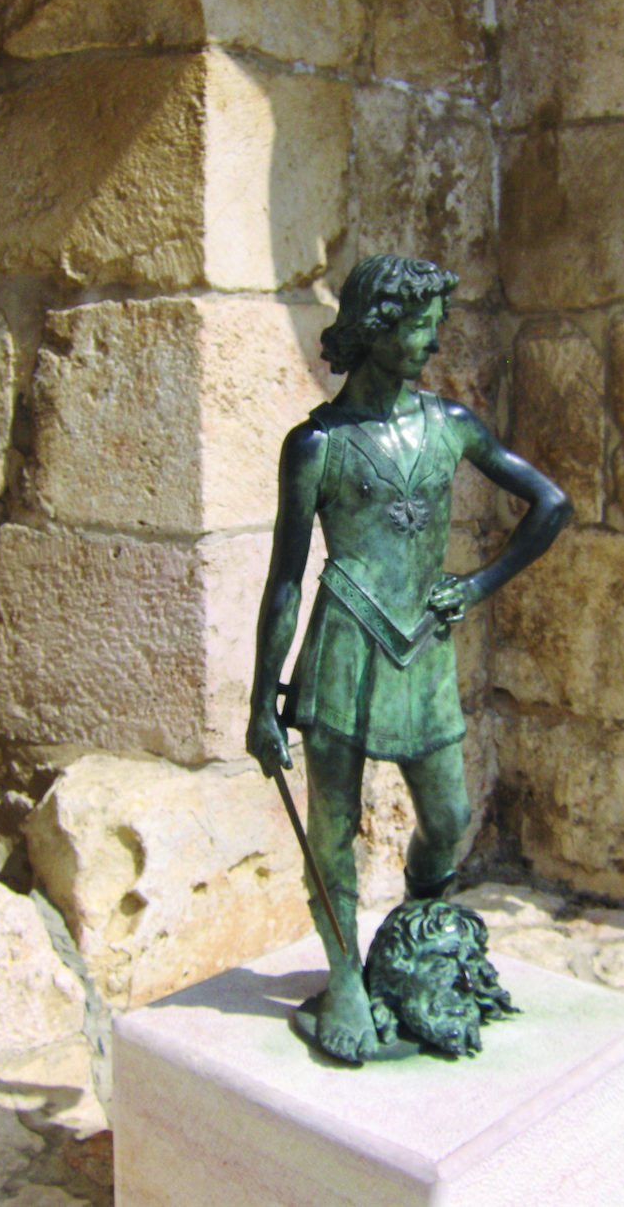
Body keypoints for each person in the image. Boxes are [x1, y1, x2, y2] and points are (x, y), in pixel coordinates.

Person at [247, 254, 571, 1063]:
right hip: (343, 645)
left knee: (449, 818)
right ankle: (345, 978)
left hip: (423, 645)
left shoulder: (450, 425)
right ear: (375, 329)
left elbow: (550, 503)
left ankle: (418, 934)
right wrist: (260, 701)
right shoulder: (316, 444)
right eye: (419, 327)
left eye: (433, 326)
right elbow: (285, 577)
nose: (430, 343)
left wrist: (478, 583)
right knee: (332, 825)